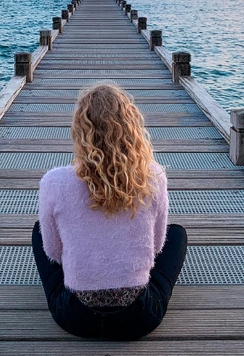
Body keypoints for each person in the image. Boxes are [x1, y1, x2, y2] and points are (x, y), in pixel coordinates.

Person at [31, 82, 188, 340]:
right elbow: (157, 247)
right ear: (132, 129)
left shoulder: (54, 182)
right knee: (177, 235)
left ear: (80, 131)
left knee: (40, 231)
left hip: (75, 317)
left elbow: (54, 253)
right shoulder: (154, 176)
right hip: (139, 318)